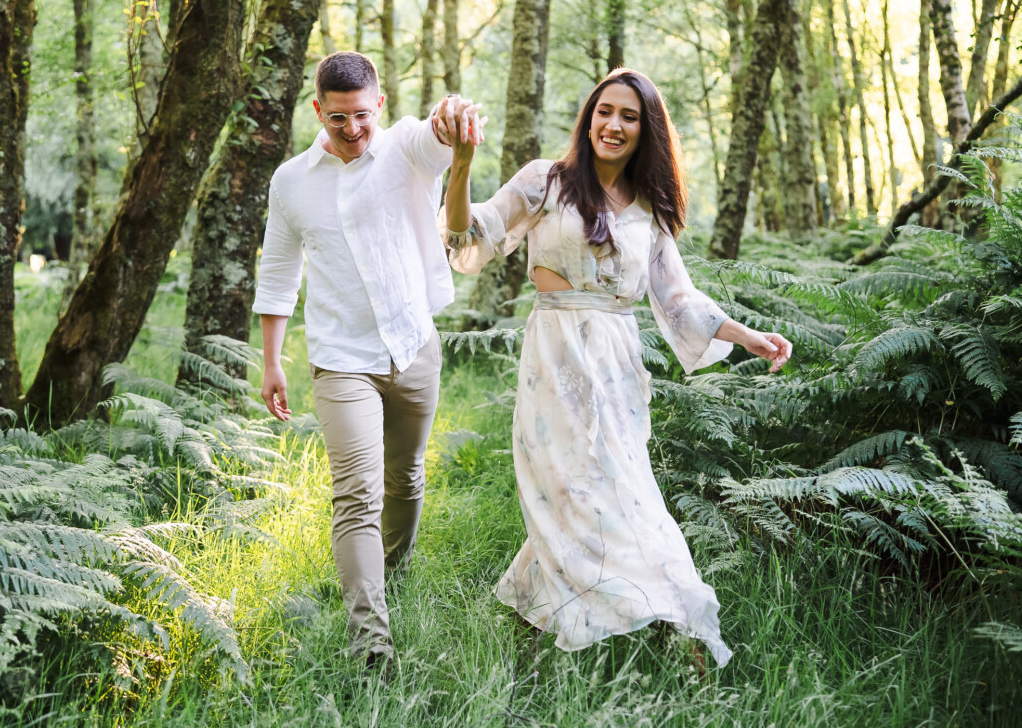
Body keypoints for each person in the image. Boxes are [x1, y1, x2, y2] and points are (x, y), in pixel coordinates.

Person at [439, 68, 791, 667]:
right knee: (570, 493)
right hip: (553, 359)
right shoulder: (545, 183)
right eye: (605, 111)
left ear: (645, 131)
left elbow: (678, 299)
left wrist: (749, 336)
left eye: (629, 116)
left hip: (617, 368)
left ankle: (662, 614)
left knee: (623, 495)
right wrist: (463, 163)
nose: (614, 125)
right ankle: (607, 623)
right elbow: (468, 238)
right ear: (589, 116)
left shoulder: (648, 211)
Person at [252, 51, 484, 667]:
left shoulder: (406, 148)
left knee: (404, 480)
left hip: (413, 349)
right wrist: (272, 362)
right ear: (317, 111)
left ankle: (391, 578)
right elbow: (278, 272)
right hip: (340, 360)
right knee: (355, 494)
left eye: (360, 115)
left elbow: (438, 133)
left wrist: (453, 116)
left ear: (378, 104)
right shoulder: (291, 181)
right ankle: (370, 642)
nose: (351, 129)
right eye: (337, 119)